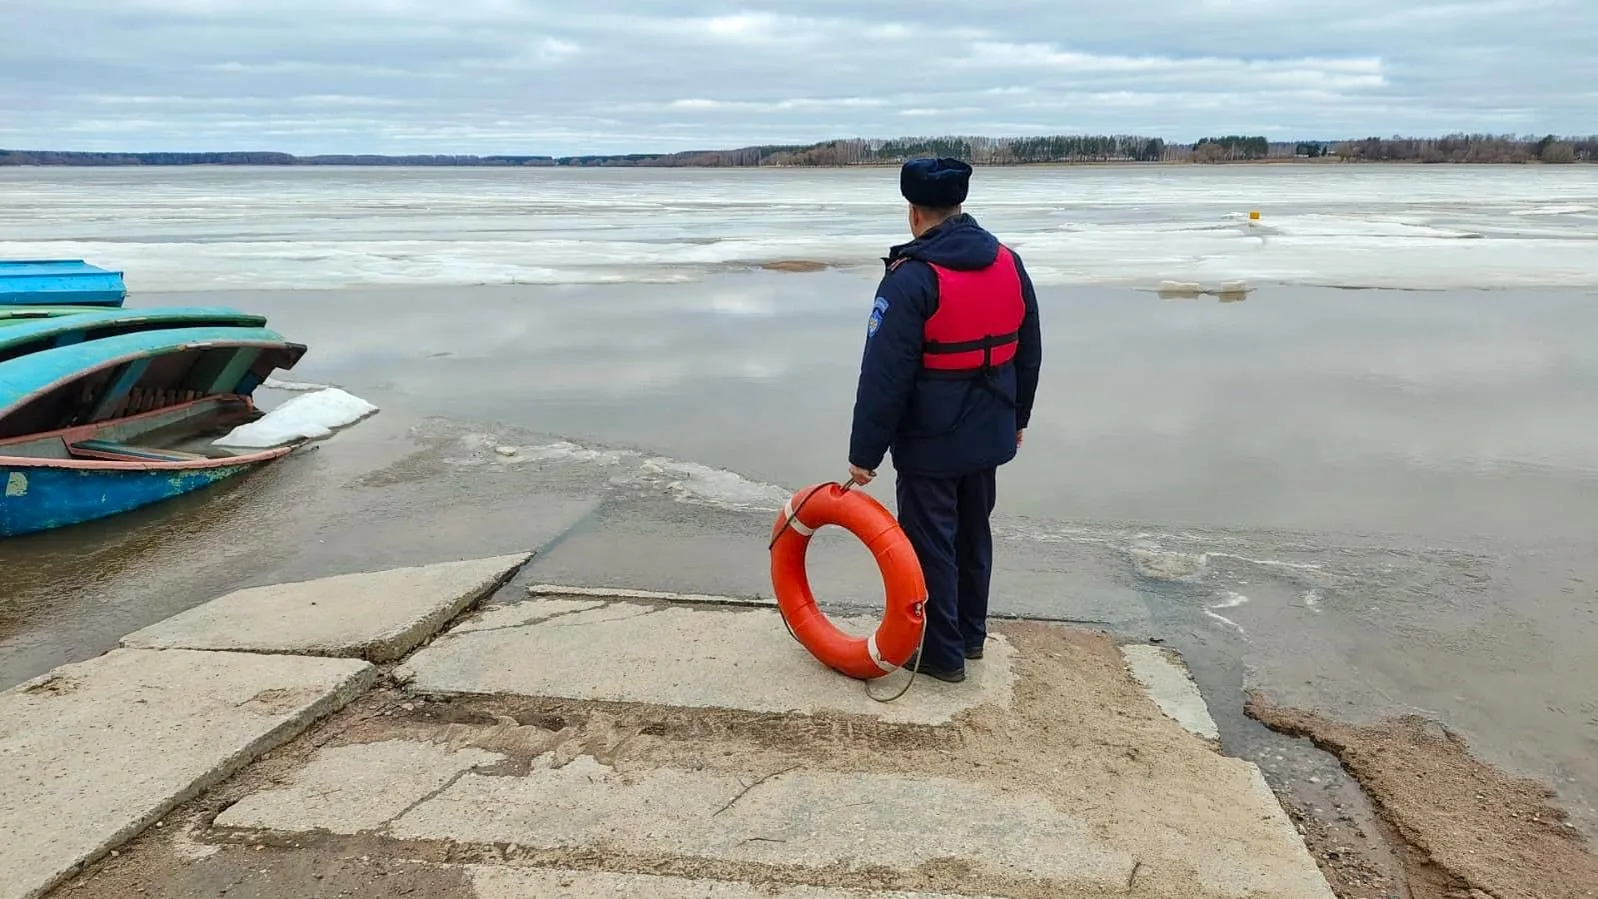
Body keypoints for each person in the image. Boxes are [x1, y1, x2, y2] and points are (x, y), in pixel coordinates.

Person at [845, 156, 1043, 683]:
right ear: (960, 205)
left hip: (932, 443)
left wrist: (865, 454)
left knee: (931, 545)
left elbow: (884, 377)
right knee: (973, 535)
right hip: (992, 429)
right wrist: (1018, 416)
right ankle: (970, 637)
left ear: (913, 213)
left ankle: (941, 654)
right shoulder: (1008, 261)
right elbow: (1029, 350)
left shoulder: (909, 280)